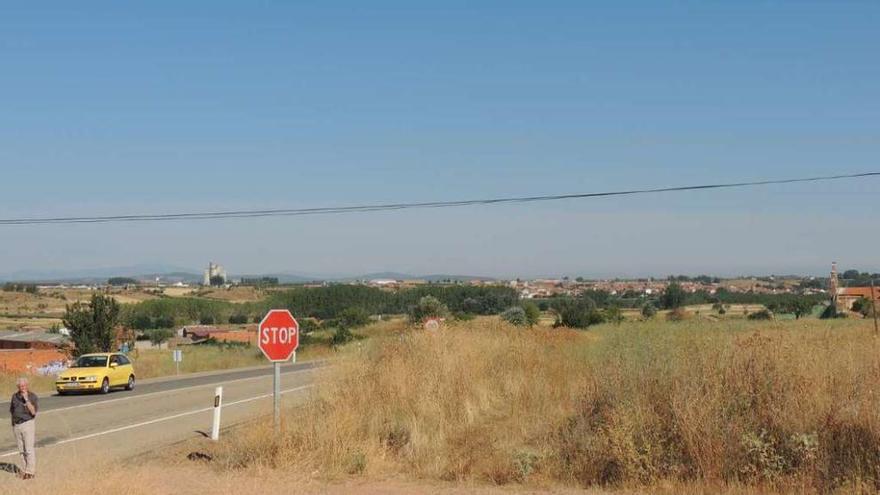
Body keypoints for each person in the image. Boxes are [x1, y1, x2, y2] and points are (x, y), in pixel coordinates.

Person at [9, 377, 38, 480]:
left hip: (27, 424)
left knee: (29, 449)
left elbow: (33, 412)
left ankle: (31, 472)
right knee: (21, 450)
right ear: (18, 387)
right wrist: (13, 424)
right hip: (17, 425)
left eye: (24, 385)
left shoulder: (32, 396)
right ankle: (25, 470)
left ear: (27, 385)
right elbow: (12, 410)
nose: (23, 387)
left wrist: (26, 399)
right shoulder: (15, 396)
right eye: (21, 386)